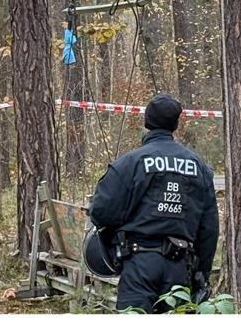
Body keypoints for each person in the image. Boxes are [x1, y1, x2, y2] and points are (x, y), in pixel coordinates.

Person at [89, 93, 219, 313]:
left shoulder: (130, 164)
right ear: (175, 124)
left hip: (139, 265)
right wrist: (201, 275)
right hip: (181, 268)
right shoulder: (200, 168)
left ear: (146, 122)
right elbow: (209, 229)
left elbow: (101, 212)